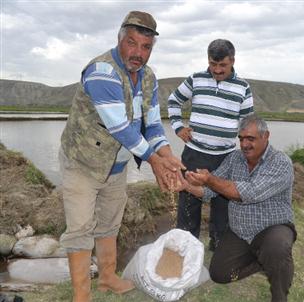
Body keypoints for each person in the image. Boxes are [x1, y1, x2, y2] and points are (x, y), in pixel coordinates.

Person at [59, 11, 184, 302]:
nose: (138, 53)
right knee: (79, 227)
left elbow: (152, 124)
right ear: (119, 40)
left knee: (110, 221)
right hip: (82, 162)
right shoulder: (102, 71)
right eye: (132, 43)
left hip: (116, 165)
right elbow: (121, 127)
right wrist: (155, 161)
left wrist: (167, 156)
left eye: (146, 47)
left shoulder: (149, 77)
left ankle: (106, 278)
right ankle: (81, 295)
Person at [175, 114, 297, 302]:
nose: (244, 144)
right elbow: (210, 192)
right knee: (219, 274)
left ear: (266, 136)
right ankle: (261, 262)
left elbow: (248, 193)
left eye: (251, 139)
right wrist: (187, 186)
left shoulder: (281, 162)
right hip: (240, 231)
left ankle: (279, 295)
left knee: (277, 248)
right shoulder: (234, 158)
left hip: (273, 228)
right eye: (241, 139)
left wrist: (210, 179)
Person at [167, 39, 254, 250]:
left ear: (232, 61)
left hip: (226, 158)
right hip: (195, 154)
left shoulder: (243, 87)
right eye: (213, 64)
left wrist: (246, 154)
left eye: (222, 65)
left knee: (222, 206)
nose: (216, 70)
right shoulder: (195, 79)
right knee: (189, 202)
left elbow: (247, 123)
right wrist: (178, 127)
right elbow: (173, 100)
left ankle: (219, 249)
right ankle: (186, 249)